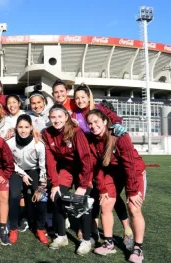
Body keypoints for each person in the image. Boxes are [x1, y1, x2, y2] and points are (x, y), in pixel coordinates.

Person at [73, 84, 132, 245]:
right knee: (95, 194)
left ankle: (127, 228)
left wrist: (119, 124)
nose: (80, 100)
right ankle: (93, 230)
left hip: (108, 161)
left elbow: (115, 120)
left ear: (89, 97)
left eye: (83, 97)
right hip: (89, 160)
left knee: (110, 196)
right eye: (77, 98)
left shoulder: (100, 109)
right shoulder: (75, 114)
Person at [86, 109, 146, 263]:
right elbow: (96, 167)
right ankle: (108, 243)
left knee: (134, 207)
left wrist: (132, 191)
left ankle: (138, 248)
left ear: (105, 121)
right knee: (105, 204)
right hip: (113, 173)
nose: (93, 126)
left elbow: (130, 164)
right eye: (90, 123)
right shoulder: (92, 140)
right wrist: (102, 188)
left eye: (96, 122)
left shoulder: (119, 135)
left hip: (134, 171)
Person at [41, 104, 94, 255]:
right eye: (53, 117)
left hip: (83, 168)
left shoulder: (76, 132)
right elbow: (50, 160)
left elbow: (86, 159)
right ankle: (61, 236)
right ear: (49, 118)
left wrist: (83, 185)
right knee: (57, 197)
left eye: (59, 117)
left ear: (66, 117)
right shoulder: (47, 133)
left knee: (82, 201)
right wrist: (54, 184)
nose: (56, 120)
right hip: (66, 168)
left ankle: (86, 239)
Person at [6, 114, 48, 245]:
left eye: (26, 127)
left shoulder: (39, 144)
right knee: (14, 196)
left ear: (31, 128)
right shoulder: (9, 143)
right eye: (20, 127)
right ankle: (13, 228)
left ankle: (40, 228)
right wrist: (22, 174)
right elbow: (9, 163)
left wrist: (41, 186)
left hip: (34, 170)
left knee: (42, 197)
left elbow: (43, 167)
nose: (23, 130)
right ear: (16, 128)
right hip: (17, 171)